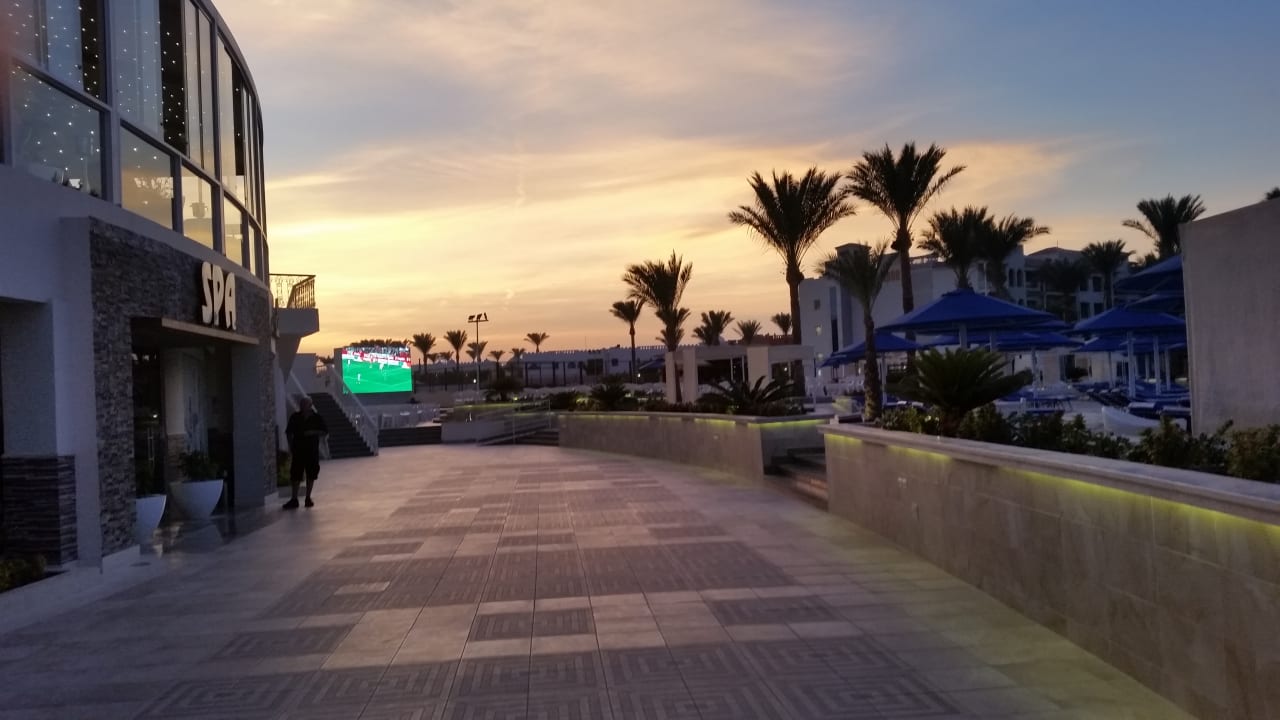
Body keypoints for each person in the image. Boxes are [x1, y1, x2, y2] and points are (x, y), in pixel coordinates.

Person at [284, 396, 328, 509]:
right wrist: (290, 446)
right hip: (298, 450)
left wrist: (312, 432)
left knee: (311, 473)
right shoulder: (295, 417)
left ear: (310, 405)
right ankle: (294, 499)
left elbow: (324, 431)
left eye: (305, 404)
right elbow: (288, 432)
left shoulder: (316, 418)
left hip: (311, 450)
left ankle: (308, 498)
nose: (302, 406)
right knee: (295, 474)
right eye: (301, 404)